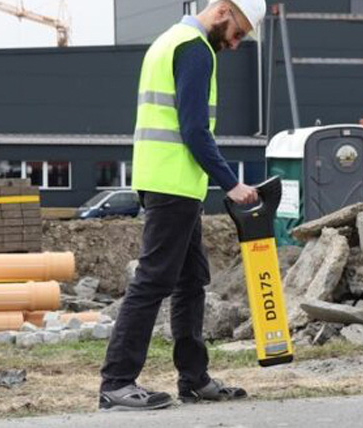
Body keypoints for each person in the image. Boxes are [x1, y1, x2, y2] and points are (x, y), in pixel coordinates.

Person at [98, 0, 267, 412]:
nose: (235, 44)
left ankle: (194, 380)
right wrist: (232, 183)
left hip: (173, 182)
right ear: (223, 11)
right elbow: (193, 129)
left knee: (192, 280)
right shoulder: (194, 48)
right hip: (171, 182)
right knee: (154, 280)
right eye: (239, 33)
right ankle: (116, 382)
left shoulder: (169, 40)